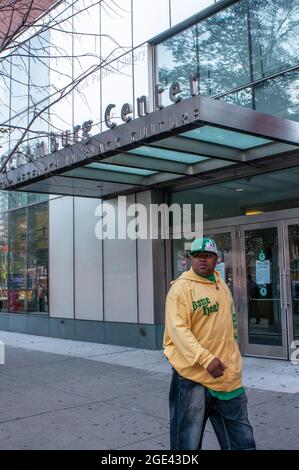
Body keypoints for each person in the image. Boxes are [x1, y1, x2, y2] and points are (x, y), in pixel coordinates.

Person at [163, 237, 256, 450]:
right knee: (186, 443)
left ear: (217, 259)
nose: (201, 260)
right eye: (197, 256)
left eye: (207, 256)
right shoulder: (181, 289)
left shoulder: (221, 285)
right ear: (190, 259)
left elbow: (229, 329)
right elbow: (179, 331)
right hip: (193, 378)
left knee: (242, 442)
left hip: (226, 377)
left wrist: (233, 362)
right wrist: (205, 358)